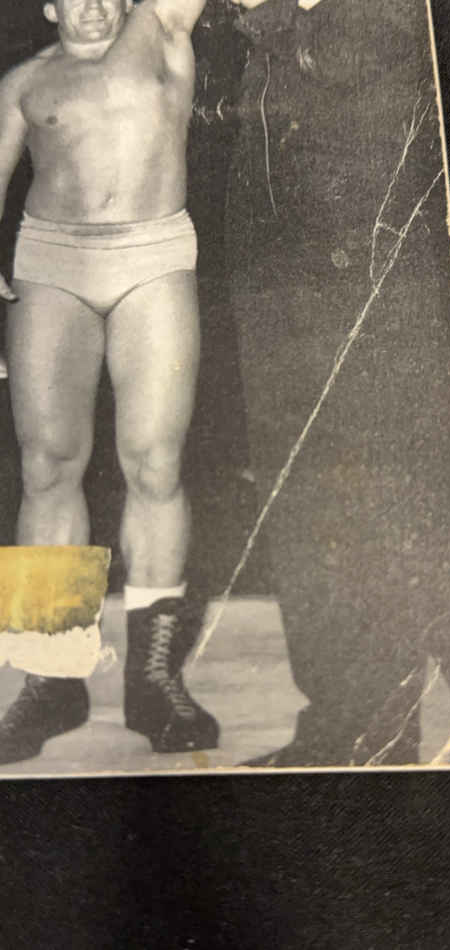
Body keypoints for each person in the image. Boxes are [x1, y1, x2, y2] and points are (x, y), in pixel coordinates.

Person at [226, 0, 450, 766]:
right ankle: (352, 727)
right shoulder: (270, 25)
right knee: (309, 513)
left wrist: (270, 15)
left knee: (418, 508)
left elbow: (356, 55)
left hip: (381, 285)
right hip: (281, 284)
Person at [0, 0, 219, 763]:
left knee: (154, 463)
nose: (92, 7)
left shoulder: (162, 31)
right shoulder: (24, 83)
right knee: (46, 466)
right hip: (52, 263)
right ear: (47, 4)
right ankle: (50, 678)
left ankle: (153, 682)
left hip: (152, 258)